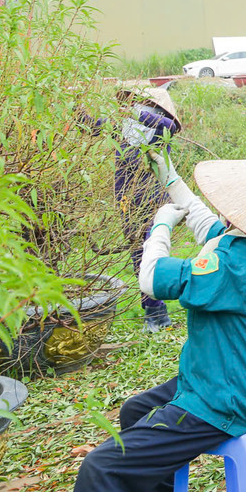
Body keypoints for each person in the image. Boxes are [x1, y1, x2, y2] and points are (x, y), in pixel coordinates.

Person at [63, 155, 246, 492]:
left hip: (227, 400)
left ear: (239, 213)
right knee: (135, 409)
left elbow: (151, 279)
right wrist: (167, 171)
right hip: (234, 377)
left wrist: (158, 227)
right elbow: (199, 217)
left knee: (101, 468)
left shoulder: (232, 265)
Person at [92, 87, 182, 332]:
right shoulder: (125, 129)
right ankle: (154, 313)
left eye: (143, 105)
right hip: (128, 205)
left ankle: (157, 315)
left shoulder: (159, 131)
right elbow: (93, 125)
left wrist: (133, 112)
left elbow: (169, 126)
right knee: (137, 258)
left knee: (151, 255)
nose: (138, 109)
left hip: (152, 203)